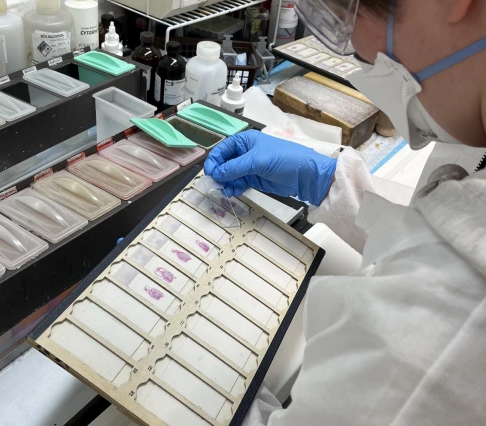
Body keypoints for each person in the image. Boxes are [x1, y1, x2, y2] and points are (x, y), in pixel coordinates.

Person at [204, 0, 486, 424]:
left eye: (350, 9)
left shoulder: (450, 315)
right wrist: (330, 181)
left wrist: (203, 395)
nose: (352, 41)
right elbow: (442, 223)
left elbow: (445, 265)